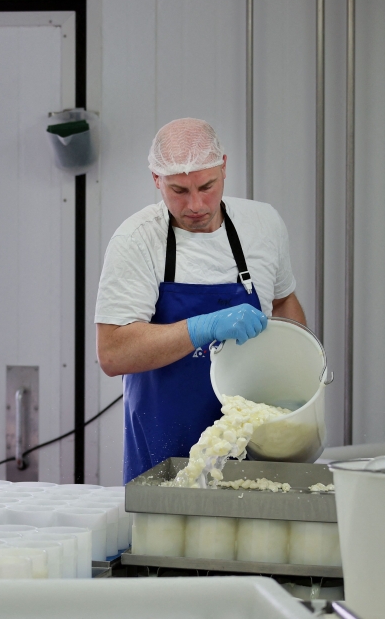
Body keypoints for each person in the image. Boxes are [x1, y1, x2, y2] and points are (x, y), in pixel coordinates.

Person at [95, 118, 306, 483]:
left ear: (224, 167)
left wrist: (297, 375)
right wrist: (203, 327)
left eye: (207, 186)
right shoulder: (136, 241)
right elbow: (112, 352)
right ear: (156, 180)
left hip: (255, 447)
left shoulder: (263, 225)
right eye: (179, 190)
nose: (196, 204)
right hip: (166, 455)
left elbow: (285, 300)